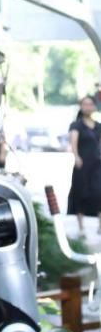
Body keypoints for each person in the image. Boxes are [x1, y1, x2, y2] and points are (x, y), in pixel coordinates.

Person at [67, 95, 101, 232]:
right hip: (82, 164)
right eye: (85, 104)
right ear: (81, 106)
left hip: (97, 164)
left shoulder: (98, 126)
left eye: (90, 104)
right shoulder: (76, 125)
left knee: (98, 192)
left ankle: (100, 225)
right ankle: (81, 227)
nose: (88, 107)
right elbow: (73, 143)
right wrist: (76, 156)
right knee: (81, 192)